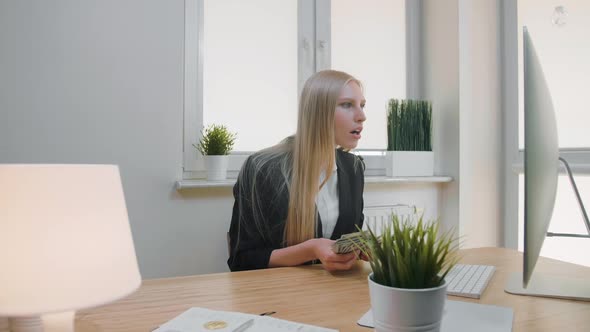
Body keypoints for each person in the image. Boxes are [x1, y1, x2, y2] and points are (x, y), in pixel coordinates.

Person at [227, 70, 367, 272]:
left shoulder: (354, 168)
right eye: (347, 105)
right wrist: (310, 250)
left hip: (335, 292)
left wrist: (362, 250)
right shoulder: (262, 168)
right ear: (319, 111)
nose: (362, 116)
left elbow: (350, 239)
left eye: (362, 105)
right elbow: (242, 260)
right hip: (278, 295)